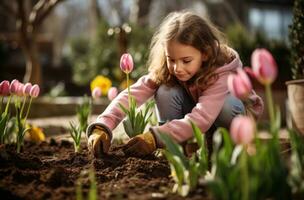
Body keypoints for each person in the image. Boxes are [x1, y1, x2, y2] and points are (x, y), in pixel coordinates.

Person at [87, 11, 264, 158]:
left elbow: (201, 118)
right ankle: (174, 150)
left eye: (186, 60)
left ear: (206, 54)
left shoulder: (222, 71)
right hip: (201, 115)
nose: (177, 68)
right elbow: (133, 93)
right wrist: (102, 126)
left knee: (227, 105)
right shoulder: (171, 68)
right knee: (165, 90)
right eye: (171, 59)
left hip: (232, 116)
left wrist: (155, 137)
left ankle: (230, 150)